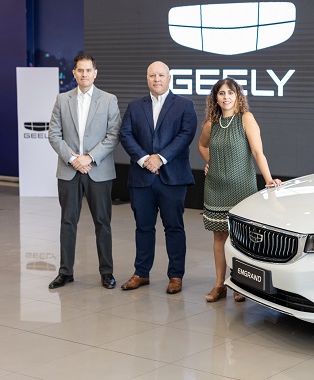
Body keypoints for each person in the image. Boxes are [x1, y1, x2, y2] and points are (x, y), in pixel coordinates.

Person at [198, 78, 281, 303]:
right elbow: (202, 145)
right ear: (215, 98)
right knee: (219, 236)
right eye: (221, 93)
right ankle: (219, 285)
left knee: (240, 238)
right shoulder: (211, 123)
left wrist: (268, 179)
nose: (226, 97)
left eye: (230, 93)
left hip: (242, 188)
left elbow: (257, 152)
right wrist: (211, 162)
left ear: (238, 96)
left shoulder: (246, 118)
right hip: (215, 187)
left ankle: (240, 284)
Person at [119, 61, 198, 294]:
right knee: (143, 227)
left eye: (161, 75)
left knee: (174, 228)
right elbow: (125, 134)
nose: (156, 79)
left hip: (172, 178)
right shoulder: (135, 106)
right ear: (147, 78)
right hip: (141, 178)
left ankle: (175, 276)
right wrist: (145, 159)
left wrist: (161, 158)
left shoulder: (184, 105)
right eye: (152, 75)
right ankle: (141, 273)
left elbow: (186, 135)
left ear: (169, 78)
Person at [48, 53, 121, 289]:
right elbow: (54, 134)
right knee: (67, 222)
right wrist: (73, 159)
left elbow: (113, 135)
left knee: (102, 223)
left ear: (95, 73)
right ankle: (65, 272)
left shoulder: (108, 100)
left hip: (98, 170)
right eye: (80, 70)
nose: (84, 74)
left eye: (88, 70)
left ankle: (106, 272)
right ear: (74, 73)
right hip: (69, 171)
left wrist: (89, 158)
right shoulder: (62, 100)